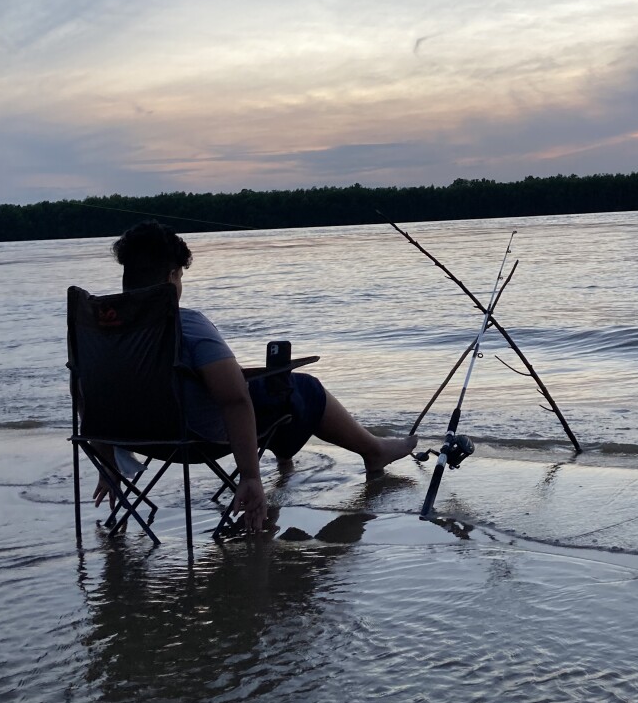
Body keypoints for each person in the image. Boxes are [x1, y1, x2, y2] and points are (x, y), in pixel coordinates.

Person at [105, 221, 417, 534]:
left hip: (135, 436)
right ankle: (373, 451)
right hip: (198, 436)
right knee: (300, 387)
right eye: (181, 276)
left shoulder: (101, 329)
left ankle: (285, 455)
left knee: (268, 388)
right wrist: (251, 479)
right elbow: (235, 399)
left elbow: (89, 398)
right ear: (173, 275)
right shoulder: (187, 325)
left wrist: (108, 462)